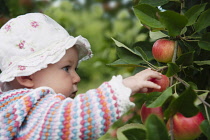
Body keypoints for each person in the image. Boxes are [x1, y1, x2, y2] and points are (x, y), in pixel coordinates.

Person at [0, 13, 162, 140]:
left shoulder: (13, 113)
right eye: (66, 68)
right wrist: (124, 88)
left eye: (75, 68)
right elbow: (75, 118)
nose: (76, 78)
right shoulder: (35, 109)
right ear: (27, 76)